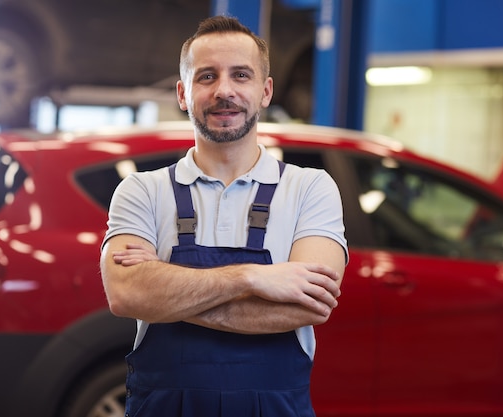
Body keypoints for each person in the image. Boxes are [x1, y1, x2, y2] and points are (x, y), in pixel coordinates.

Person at [100, 15, 348, 417]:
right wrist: (251, 278)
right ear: (183, 93)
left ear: (265, 91)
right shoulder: (141, 190)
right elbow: (126, 294)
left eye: (241, 75)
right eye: (207, 77)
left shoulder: (310, 189)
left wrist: (166, 293)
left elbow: (310, 305)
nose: (224, 91)